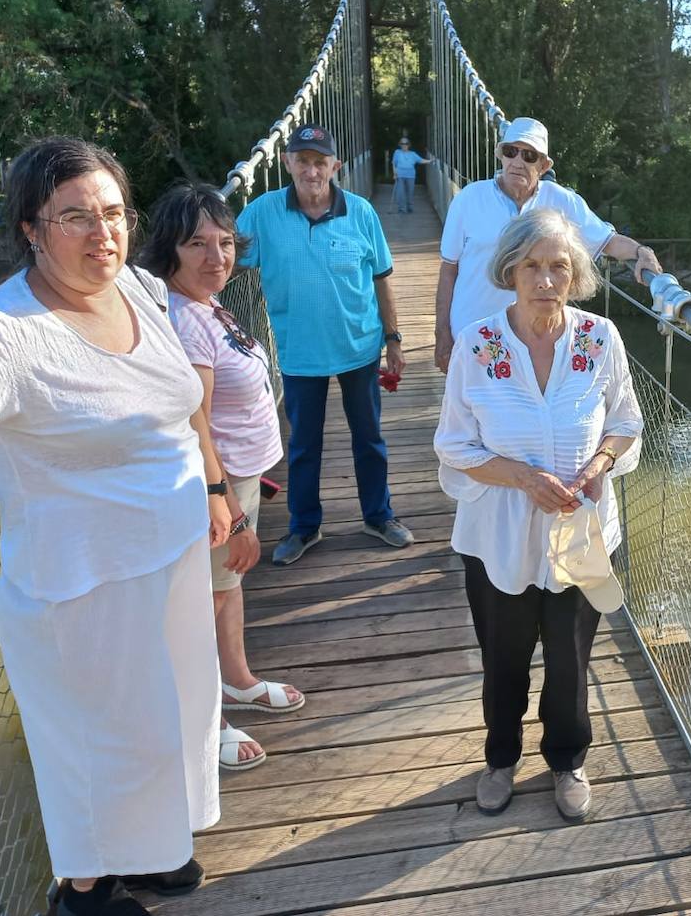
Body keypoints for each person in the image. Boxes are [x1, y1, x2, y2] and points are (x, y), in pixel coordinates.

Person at [0, 138, 223, 915]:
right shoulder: (0, 330)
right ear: (31, 229)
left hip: (171, 552)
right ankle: (85, 887)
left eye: (113, 212)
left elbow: (181, 404)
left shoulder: (143, 289)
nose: (101, 232)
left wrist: (215, 485)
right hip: (79, 584)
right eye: (75, 216)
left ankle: (151, 851)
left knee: (173, 716)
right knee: (95, 743)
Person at [433, 208, 643, 822]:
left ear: (576, 273)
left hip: (581, 531)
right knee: (504, 654)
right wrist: (524, 477)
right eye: (533, 266)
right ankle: (500, 758)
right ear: (510, 270)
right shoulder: (477, 344)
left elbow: (627, 423)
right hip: (500, 536)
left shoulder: (601, 338)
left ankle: (567, 760)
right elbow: (454, 446)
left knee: (571, 657)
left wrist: (601, 462)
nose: (546, 279)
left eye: (559, 266)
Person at [139, 182, 307, 772]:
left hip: (240, 477)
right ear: (170, 251)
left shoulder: (208, 304)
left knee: (226, 588)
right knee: (202, 603)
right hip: (217, 486)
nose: (217, 257)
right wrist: (229, 511)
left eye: (226, 242)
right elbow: (196, 422)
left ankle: (236, 680)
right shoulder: (186, 321)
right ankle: (207, 722)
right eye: (197, 245)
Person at [236, 123, 413, 564]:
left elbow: (382, 280)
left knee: (369, 438)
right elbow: (224, 261)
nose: (312, 171)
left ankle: (379, 516)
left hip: (359, 348)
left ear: (335, 166)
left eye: (320, 162)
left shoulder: (362, 212)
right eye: (303, 161)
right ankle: (304, 527)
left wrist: (393, 339)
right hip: (299, 353)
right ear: (287, 163)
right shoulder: (261, 213)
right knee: (303, 445)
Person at [434, 116, 663, 371]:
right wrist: (441, 332)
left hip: (534, 341)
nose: (518, 162)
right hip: (473, 335)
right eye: (511, 152)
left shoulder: (563, 202)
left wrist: (642, 252)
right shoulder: (468, 200)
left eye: (529, 156)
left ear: (544, 165)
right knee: (469, 410)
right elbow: (448, 270)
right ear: (501, 156)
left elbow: (608, 241)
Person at [389, 135, 430, 214]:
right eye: (402, 143)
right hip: (400, 175)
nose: (404, 145)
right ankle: (401, 209)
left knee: (410, 192)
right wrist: (394, 173)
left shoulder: (412, 154)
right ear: (400, 145)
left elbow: (420, 160)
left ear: (409, 145)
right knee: (400, 192)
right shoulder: (397, 153)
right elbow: (394, 163)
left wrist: (430, 161)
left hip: (410, 175)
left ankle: (409, 207)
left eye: (406, 143)